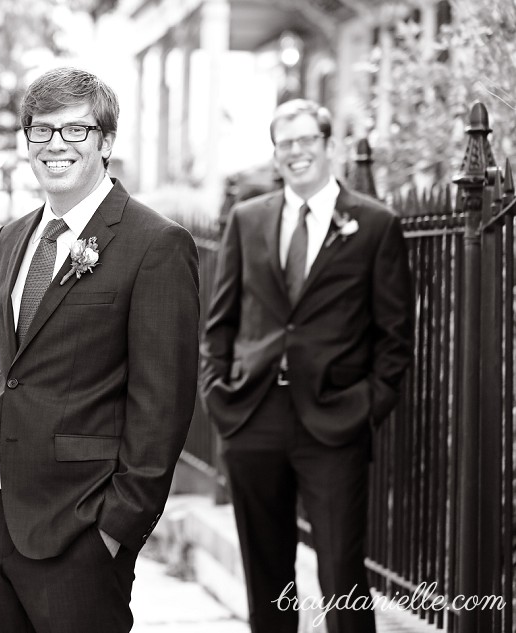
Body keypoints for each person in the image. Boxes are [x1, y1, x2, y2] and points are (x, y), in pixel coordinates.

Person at [0, 67, 200, 633]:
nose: (55, 144)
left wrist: (115, 529)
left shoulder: (156, 245)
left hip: (79, 530)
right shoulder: (10, 238)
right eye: (41, 130)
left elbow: (163, 406)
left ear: (105, 142)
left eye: (75, 130)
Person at [200, 99, 413, 633]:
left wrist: (367, 406)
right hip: (253, 417)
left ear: (329, 145)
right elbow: (220, 320)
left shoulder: (374, 224)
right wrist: (219, 396)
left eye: (306, 141)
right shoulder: (248, 219)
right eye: (284, 143)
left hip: (334, 422)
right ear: (276, 154)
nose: (295, 153)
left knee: (342, 573)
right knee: (267, 574)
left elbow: (395, 337)